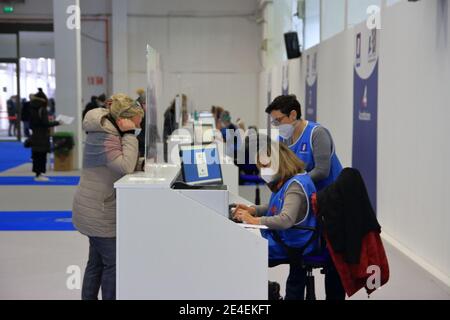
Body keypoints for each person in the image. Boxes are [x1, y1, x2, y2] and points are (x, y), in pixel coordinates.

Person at [265, 94, 345, 300]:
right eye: (273, 121)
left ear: (293, 115)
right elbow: (285, 171)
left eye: (278, 120)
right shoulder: (284, 138)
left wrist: (294, 186)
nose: (276, 125)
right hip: (306, 206)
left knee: (334, 264)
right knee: (296, 257)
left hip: (331, 206)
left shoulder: (317, 134)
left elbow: (322, 171)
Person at [72, 93, 144, 300]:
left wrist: (140, 163)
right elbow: (124, 166)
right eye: (137, 121)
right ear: (126, 119)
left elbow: (114, 163)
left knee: (96, 262)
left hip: (96, 206)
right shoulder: (105, 135)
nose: (139, 124)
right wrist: (130, 134)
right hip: (98, 210)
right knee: (113, 263)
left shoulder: (107, 131)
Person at [233, 140, 318, 300]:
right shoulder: (287, 179)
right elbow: (276, 206)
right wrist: (253, 210)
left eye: (265, 167)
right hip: (287, 237)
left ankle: (261, 293)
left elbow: (285, 219)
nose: (262, 172)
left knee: (242, 251)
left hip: (294, 242)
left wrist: (254, 221)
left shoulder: (295, 186)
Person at [29, 89, 61, 181]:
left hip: (35, 135)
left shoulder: (32, 108)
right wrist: (58, 122)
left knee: (36, 155)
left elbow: (31, 124)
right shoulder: (42, 109)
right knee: (42, 155)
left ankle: (37, 174)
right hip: (42, 136)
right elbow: (45, 123)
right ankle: (40, 175)